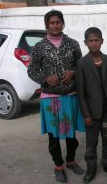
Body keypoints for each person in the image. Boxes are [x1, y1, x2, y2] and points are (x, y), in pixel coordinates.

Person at [27, 10, 85, 183]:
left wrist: (73, 72)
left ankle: (71, 161)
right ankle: (58, 166)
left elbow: (80, 65)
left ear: (63, 23)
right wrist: (45, 78)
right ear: (46, 25)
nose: (55, 25)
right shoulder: (39, 47)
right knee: (53, 136)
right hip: (50, 97)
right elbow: (31, 70)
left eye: (58, 22)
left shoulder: (73, 44)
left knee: (71, 136)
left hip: (70, 95)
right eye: (51, 23)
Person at [76, 27, 107, 184]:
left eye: (97, 40)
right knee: (91, 142)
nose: (94, 43)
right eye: (91, 41)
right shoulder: (82, 63)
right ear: (85, 43)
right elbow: (81, 93)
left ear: (102, 41)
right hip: (92, 113)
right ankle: (91, 168)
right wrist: (86, 114)